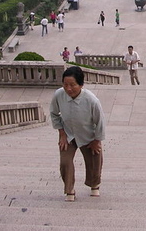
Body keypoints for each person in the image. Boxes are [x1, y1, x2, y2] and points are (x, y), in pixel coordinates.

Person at [50, 66, 105, 202]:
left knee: (94, 161)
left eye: (72, 85)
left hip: (88, 135)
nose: (68, 89)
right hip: (68, 134)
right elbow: (54, 113)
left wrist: (96, 140)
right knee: (65, 162)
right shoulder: (59, 95)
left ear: (81, 84)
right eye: (65, 85)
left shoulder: (92, 100)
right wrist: (61, 133)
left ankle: (94, 184)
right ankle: (69, 189)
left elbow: (100, 122)